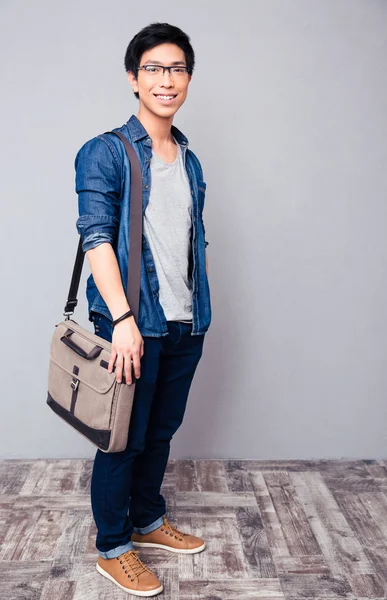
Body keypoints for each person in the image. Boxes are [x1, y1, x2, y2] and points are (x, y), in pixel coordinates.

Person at [74, 22, 211, 596]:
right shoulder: (104, 151)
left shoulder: (189, 157)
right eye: (154, 69)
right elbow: (96, 238)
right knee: (121, 439)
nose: (167, 80)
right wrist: (124, 320)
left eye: (177, 69)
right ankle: (113, 546)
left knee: (161, 432)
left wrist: (195, 311)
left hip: (186, 319)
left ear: (188, 79)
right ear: (134, 78)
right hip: (133, 324)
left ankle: (148, 522)